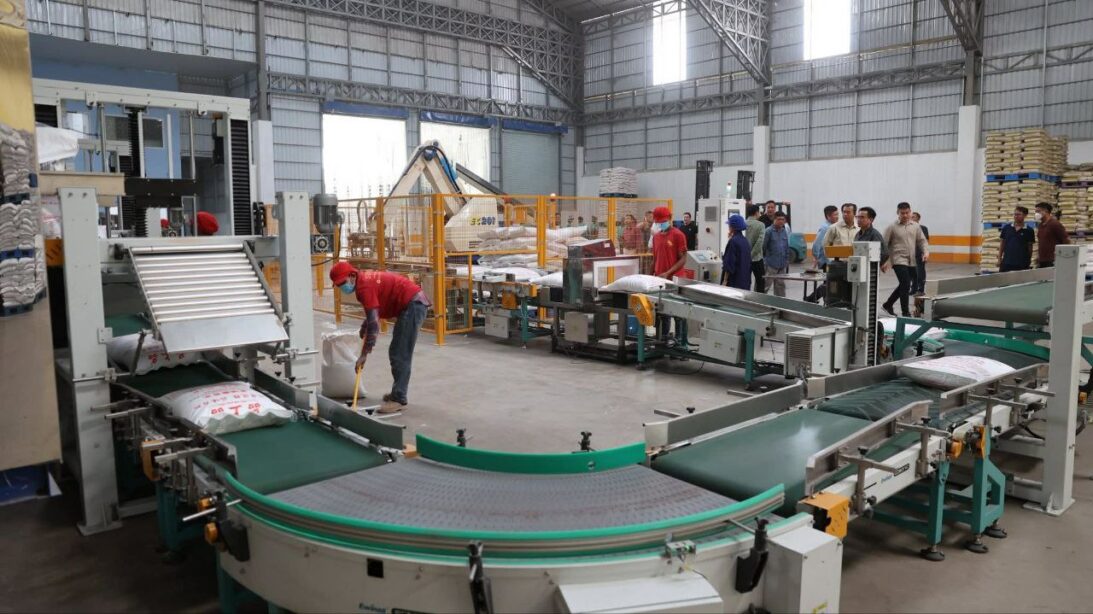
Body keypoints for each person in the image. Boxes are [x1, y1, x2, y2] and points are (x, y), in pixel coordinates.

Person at [329, 262, 430, 413]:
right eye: (338, 285)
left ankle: (399, 399)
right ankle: (397, 393)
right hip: (411, 303)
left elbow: (374, 325)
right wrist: (365, 326)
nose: (342, 287)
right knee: (397, 351)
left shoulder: (364, 287)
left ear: (352, 275)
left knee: (400, 352)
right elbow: (374, 311)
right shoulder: (363, 281)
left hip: (413, 305)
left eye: (342, 283)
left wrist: (364, 354)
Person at [880, 202, 928, 317]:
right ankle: (905, 312)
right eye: (902, 213)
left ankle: (887, 304)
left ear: (910, 212)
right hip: (898, 259)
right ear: (898, 213)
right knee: (906, 283)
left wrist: (926, 252)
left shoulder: (915, 226)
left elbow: (922, 241)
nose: (905, 215)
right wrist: (884, 261)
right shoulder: (892, 227)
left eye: (907, 213)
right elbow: (884, 244)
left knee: (905, 284)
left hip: (911, 260)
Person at [806, 206, 839, 302]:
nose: (837, 216)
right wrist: (816, 258)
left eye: (838, 214)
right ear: (828, 216)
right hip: (826, 262)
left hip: (830, 261)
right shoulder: (825, 228)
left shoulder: (832, 226)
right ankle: (812, 299)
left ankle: (814, 299)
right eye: (835, 214)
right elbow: (817, 244)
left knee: (829, 283)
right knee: (828, 283)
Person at [651, 206, 688, 279]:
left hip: (675, 278)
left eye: (663, 221)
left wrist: (668, 273)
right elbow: (655, 260)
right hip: (660, 277)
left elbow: (683, 258)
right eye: (659, 222)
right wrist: (648, 277)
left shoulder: (678, 235)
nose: (661, 224)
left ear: (670, 218)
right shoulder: (656, 237)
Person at [998, 206, 1036, 272]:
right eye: (1015, 214)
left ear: (1025, 215)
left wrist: (1028, 260)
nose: (1016, 216)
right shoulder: (1007, 228)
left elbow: (1030, 248)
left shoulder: (1029, 230)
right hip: (1007, 262)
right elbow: (1002, 244)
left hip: (1022, 263)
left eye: (1018, 214)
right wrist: (999, 259)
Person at [762, 211, 791, 297]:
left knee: (780, 287)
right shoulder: (768, 231)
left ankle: (780, 303)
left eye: (783, 219)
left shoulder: (784, 231)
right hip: (770, 264)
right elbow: (763, 247)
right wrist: (765, 261)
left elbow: (786, 247)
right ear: (774, 220)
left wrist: (787, 260)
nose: (781, 221)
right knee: (765, 286)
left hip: (782, 265)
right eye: (779, 219)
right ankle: (759, 301)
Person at [721, 214, 752, 290]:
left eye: (729, 225)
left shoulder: (733, 241)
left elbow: (729, 265)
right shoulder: (745, 241)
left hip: (734, 282)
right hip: (745, 281)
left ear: (732, 227)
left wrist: (725, 281)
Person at [1035, 202, 1069, 268]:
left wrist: (1063, 256)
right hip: (1042, 260)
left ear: (1046, 211)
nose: (1036, 214)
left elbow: (1066, 240)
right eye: (1036, 212)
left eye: (1038, 211)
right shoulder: (1041, 225)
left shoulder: (1055, 224)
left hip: (1053, 260)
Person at [745, 204, 766, 292]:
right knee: (760, 281)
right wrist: (751, 255)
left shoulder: (743, 223)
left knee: (746, 281)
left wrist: (747, 256)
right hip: (757, 258)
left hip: (744, 258)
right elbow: (759, 243)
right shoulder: (761, 225)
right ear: (756, 212)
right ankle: (759, 298)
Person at [911, 211, 929, 294]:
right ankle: (913, 289)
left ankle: (921, 289)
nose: (911, 218)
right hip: (911, 254)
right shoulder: (908, 228)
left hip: (920, 254)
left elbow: (925, 241)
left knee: (920, 272)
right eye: (911, 217)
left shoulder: (923, 228)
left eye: (913, 217)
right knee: (912, 272)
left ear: (918, 218)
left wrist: (924, 253)